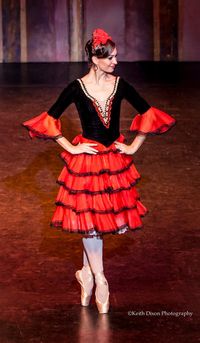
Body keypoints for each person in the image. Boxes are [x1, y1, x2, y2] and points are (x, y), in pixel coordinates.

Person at [22, 28, 176, 314]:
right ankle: (100, 279)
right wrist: (71, 147)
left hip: (113, 160)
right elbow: (49, 119)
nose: (116, 62)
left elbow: (148, 112)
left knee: (96, 222)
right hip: (88, 160)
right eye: (111, 58)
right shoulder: (76, 87)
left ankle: (86, 274)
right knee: (91, 224)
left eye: (116, 57)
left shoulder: (120, 84)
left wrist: (133, 147)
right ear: (95, 59)